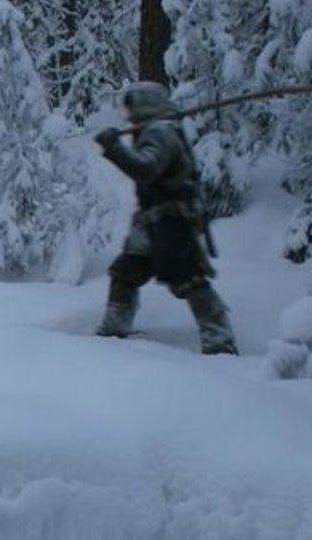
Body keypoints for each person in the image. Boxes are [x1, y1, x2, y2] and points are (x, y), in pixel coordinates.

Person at [92, 83, 238, 355]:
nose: (126, 113)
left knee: (188, 278)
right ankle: (113, 330)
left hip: (172, 222)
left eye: (130, 106)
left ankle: (219, 340)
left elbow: (146, 169)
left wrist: (113, 147)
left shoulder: (160, 132)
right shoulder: (157, 130)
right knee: (126, 271)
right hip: (152, 223)